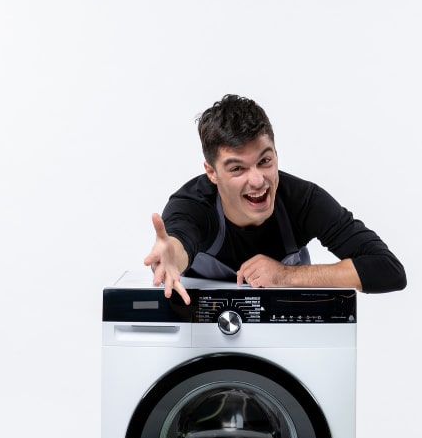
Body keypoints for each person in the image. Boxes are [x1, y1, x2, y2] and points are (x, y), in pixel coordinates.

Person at [144, 94, 406, 305]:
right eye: (237, 169)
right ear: (212, 173)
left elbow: (388, 270)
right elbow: (179, 242)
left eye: (265, 161)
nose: (258, 181)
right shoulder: (192, 205)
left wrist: (284, 276)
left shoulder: (302, 201)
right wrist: (173, 260)